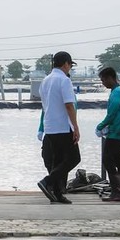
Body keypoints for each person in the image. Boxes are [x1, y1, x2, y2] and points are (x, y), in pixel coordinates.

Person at [37, 51, 81, 204]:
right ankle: (47, 181)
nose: (69, 68)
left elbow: (44, 105)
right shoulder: (64, 80)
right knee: (74, 158)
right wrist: (75, 127)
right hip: (63, 126)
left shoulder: (46, 80)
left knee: (57, 161)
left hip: (50, 126)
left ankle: (57, 193)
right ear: (65, 64)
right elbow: (69, 105)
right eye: (70, 65)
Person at [97, 67, 120, 202]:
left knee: (108, 160)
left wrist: (101, 126)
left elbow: (112, 113)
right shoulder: (119, 92)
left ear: (110, 77)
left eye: (104, 80)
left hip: (116, 134)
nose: (103, 83)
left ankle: (117, 192)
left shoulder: (116, 93)